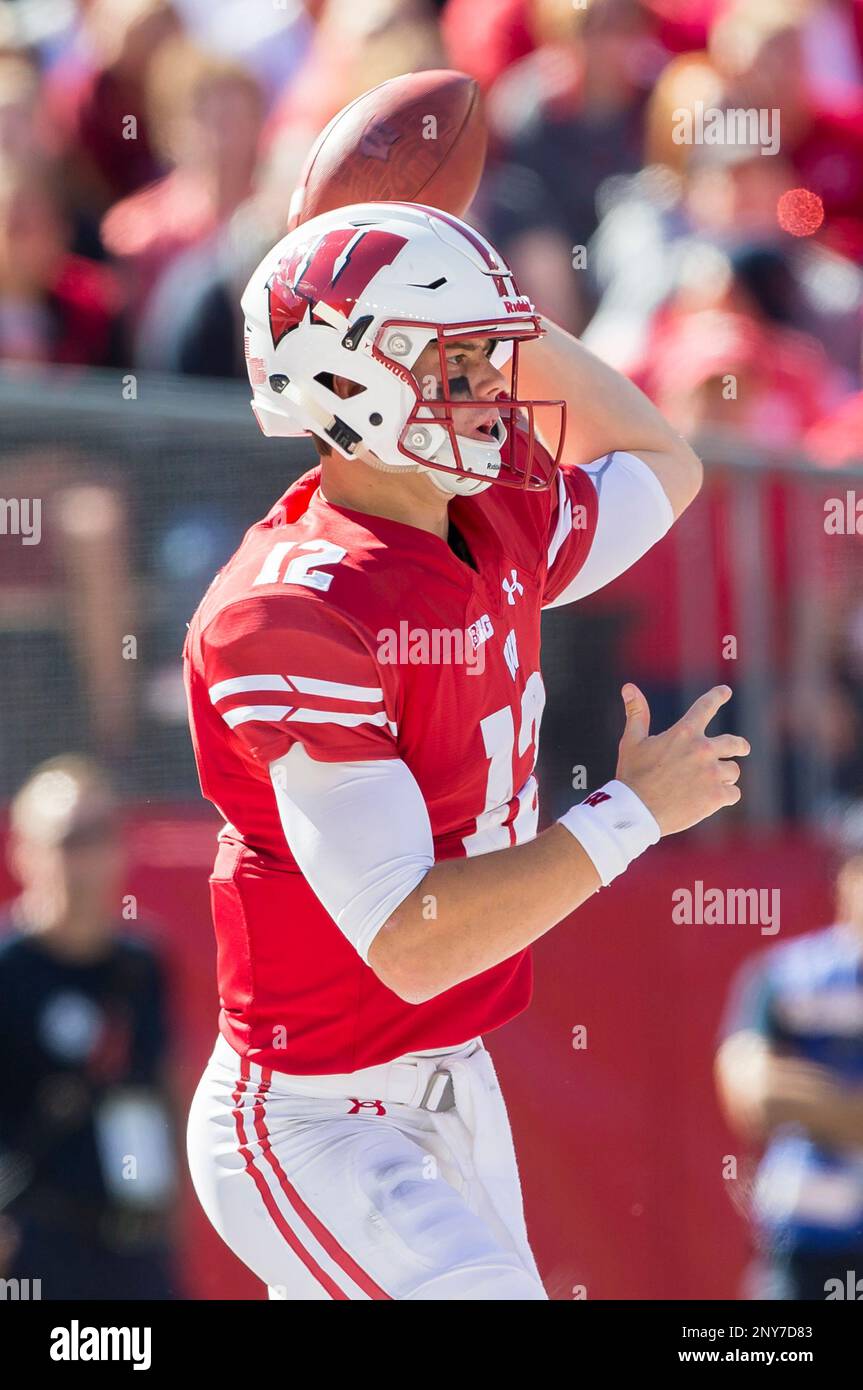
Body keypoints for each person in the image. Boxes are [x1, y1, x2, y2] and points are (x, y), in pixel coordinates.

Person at [184, 201, 749, 1301]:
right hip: (315, 1114)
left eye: (491, 354)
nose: (497, 385)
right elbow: (410, 941)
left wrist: (487, 296)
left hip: (454, 1085)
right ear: (344, 383)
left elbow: (659, 461)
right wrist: (629, 814)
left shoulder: (491, 510)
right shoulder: (289, 611)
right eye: (457, 361)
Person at [0, 756, 178, 1299]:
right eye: (68, 840)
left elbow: (165, 1089)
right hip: (31, 1248)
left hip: (137, 1248)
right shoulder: (10, 970)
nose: (85, 860)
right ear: (22, 851)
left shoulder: (142, 965)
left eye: (100, 835)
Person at [715, 850, 863, 1301]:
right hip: (807, 1247)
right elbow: (756, 1095)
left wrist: (814, 1099)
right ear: (846, 876)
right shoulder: (787, 973)